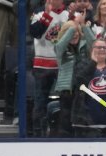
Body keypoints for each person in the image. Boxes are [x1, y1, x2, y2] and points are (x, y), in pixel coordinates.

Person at [29, 0, 69, 137]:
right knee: (39, 103)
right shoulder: (39, 14)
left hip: (62, 66)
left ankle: (64, 133)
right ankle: (37, 135)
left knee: (66, 101)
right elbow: (35, 33)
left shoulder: (68, 15)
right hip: (42, 65)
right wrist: (47, 14)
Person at [72, 38, 106, 137]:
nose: (101, 50)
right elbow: (79, 83)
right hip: (88, 125)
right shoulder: (83, 65)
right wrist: (93, 63)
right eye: (98, 47)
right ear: (91, 50)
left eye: (104, 47)